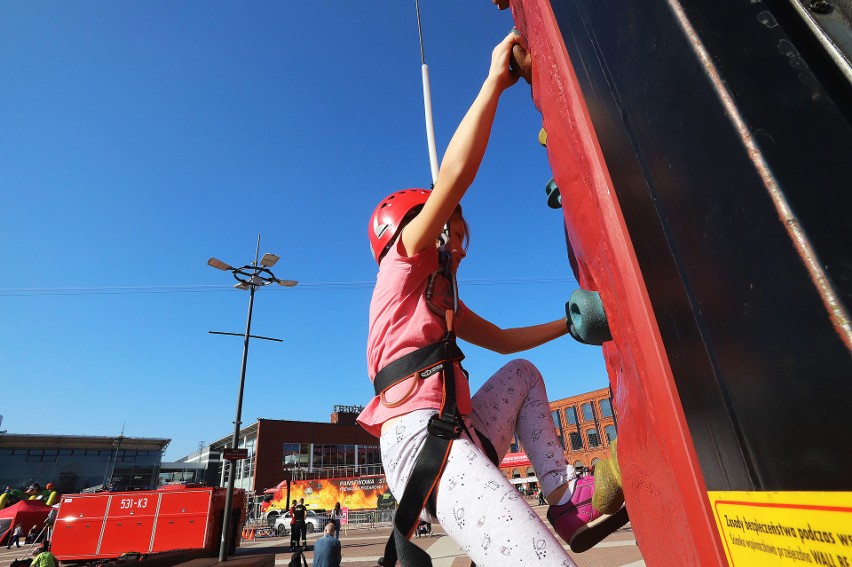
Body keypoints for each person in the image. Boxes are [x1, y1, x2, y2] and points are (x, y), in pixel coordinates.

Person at [357, 31, 626, 566]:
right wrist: (492, 85)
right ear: (414, 224)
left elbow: (503, 343)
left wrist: (568, 323)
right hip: (422, 445)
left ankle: (563, 499)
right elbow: (454, 177)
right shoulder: (403, 261)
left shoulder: (438, 303)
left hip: (459, 432)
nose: (459, 238)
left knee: (524, 374)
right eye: (450, 225)